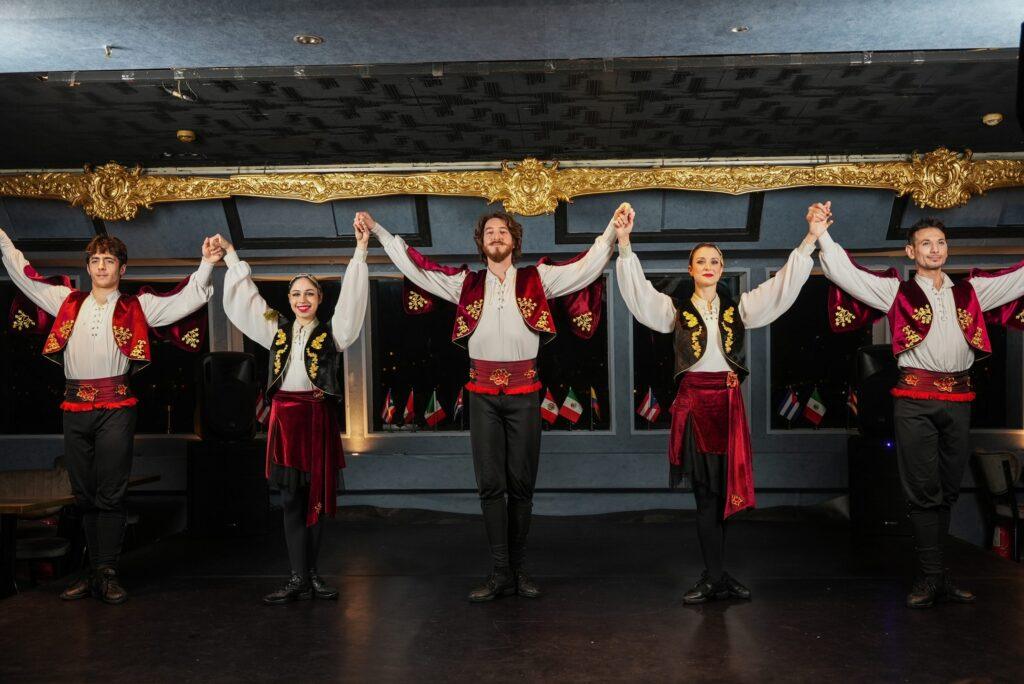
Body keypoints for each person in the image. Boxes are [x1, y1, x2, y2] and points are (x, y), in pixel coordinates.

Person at [356, 206, 624, 601]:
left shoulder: (538, 279)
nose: (496, 236)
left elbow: (585, 266)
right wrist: (379, 230)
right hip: (481, 395)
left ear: (515, 241)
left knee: (522, 486)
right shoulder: (466, 283)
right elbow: (418, 267)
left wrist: (613, 229)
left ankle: (519, 570)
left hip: (525, 395)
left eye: (503, 231)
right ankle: (499, 573)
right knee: (490, 486)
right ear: (481, 244)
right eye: (489, 232)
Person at [813, 201, 1024, 608]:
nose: (934, 249)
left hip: (959, 399)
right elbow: (846, 273)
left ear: (947, 249)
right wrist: (822, 232)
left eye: (940, 242)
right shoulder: (897, 292)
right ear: (911, 251)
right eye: (925, 243)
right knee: (923, 491)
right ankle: (929, 578)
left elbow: (1019, 279)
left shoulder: (971, 292)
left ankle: (939, 575)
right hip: (913, 400)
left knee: (947, 490)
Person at [0, 228, 218, 603]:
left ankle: (108, 572)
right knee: (84, 494)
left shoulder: (137, 306)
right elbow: (25, 276)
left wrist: (208, 263)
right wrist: (3, 241)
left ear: (122, 268)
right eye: (95, 260)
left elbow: (185, 299)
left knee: (110, 493)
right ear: (88, 267)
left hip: (116, 407)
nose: (101, 266)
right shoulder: (66, 300)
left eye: (109, 260)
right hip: (74, 407)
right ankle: (91, 573)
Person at [615, 214, 820, 603]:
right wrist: (624, 244)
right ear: (690, 269)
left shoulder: (739, 309)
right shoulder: (675, 310)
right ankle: (713, 576)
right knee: (706, 496)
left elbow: (780, 287)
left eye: (714, 261)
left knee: (726, 495)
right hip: (695, 407)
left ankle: (717, 575)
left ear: (722, 269)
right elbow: (639, 294)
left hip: (728, 406)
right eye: (701, 261)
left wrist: (810, 239)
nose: (708, 267)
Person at [215, 223, 369, 605]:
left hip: (316, 421)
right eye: (296, 293)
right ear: (288, 299)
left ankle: (312, 575)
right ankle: (297, 576)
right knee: (290, 501)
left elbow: (352, 302)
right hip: (285, 423)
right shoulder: (277, 330)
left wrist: (360, 250)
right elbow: (249, 301)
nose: (303, 299)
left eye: (310, 293)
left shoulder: (332, 334)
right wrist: (231, 255)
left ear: (320, 299)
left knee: (315, 498)